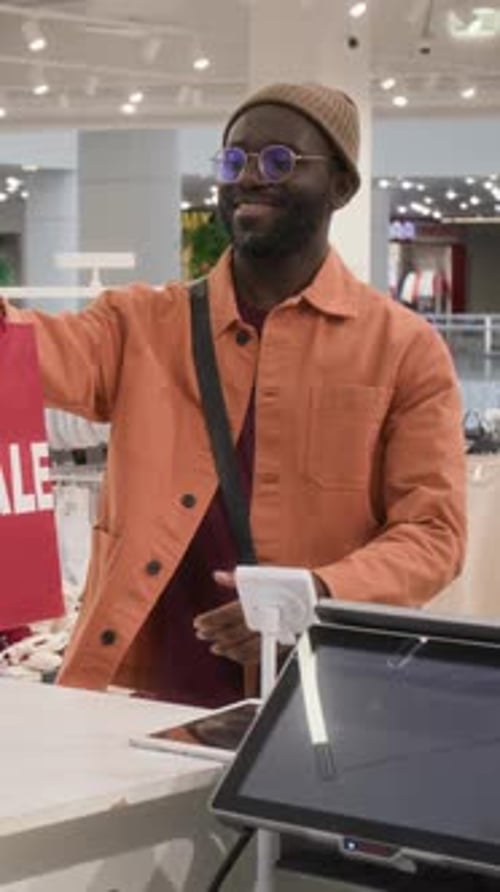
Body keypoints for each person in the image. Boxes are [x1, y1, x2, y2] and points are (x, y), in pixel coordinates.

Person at [0, 82, 466, 708]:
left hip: (311, 701)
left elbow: (434, 533)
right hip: (136, 695)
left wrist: (309, 597)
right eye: (233, 161)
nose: (250, 177)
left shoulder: (403, 349)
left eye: (279, 161)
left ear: (341, 187)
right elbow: (28, 348)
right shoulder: (140, 324)